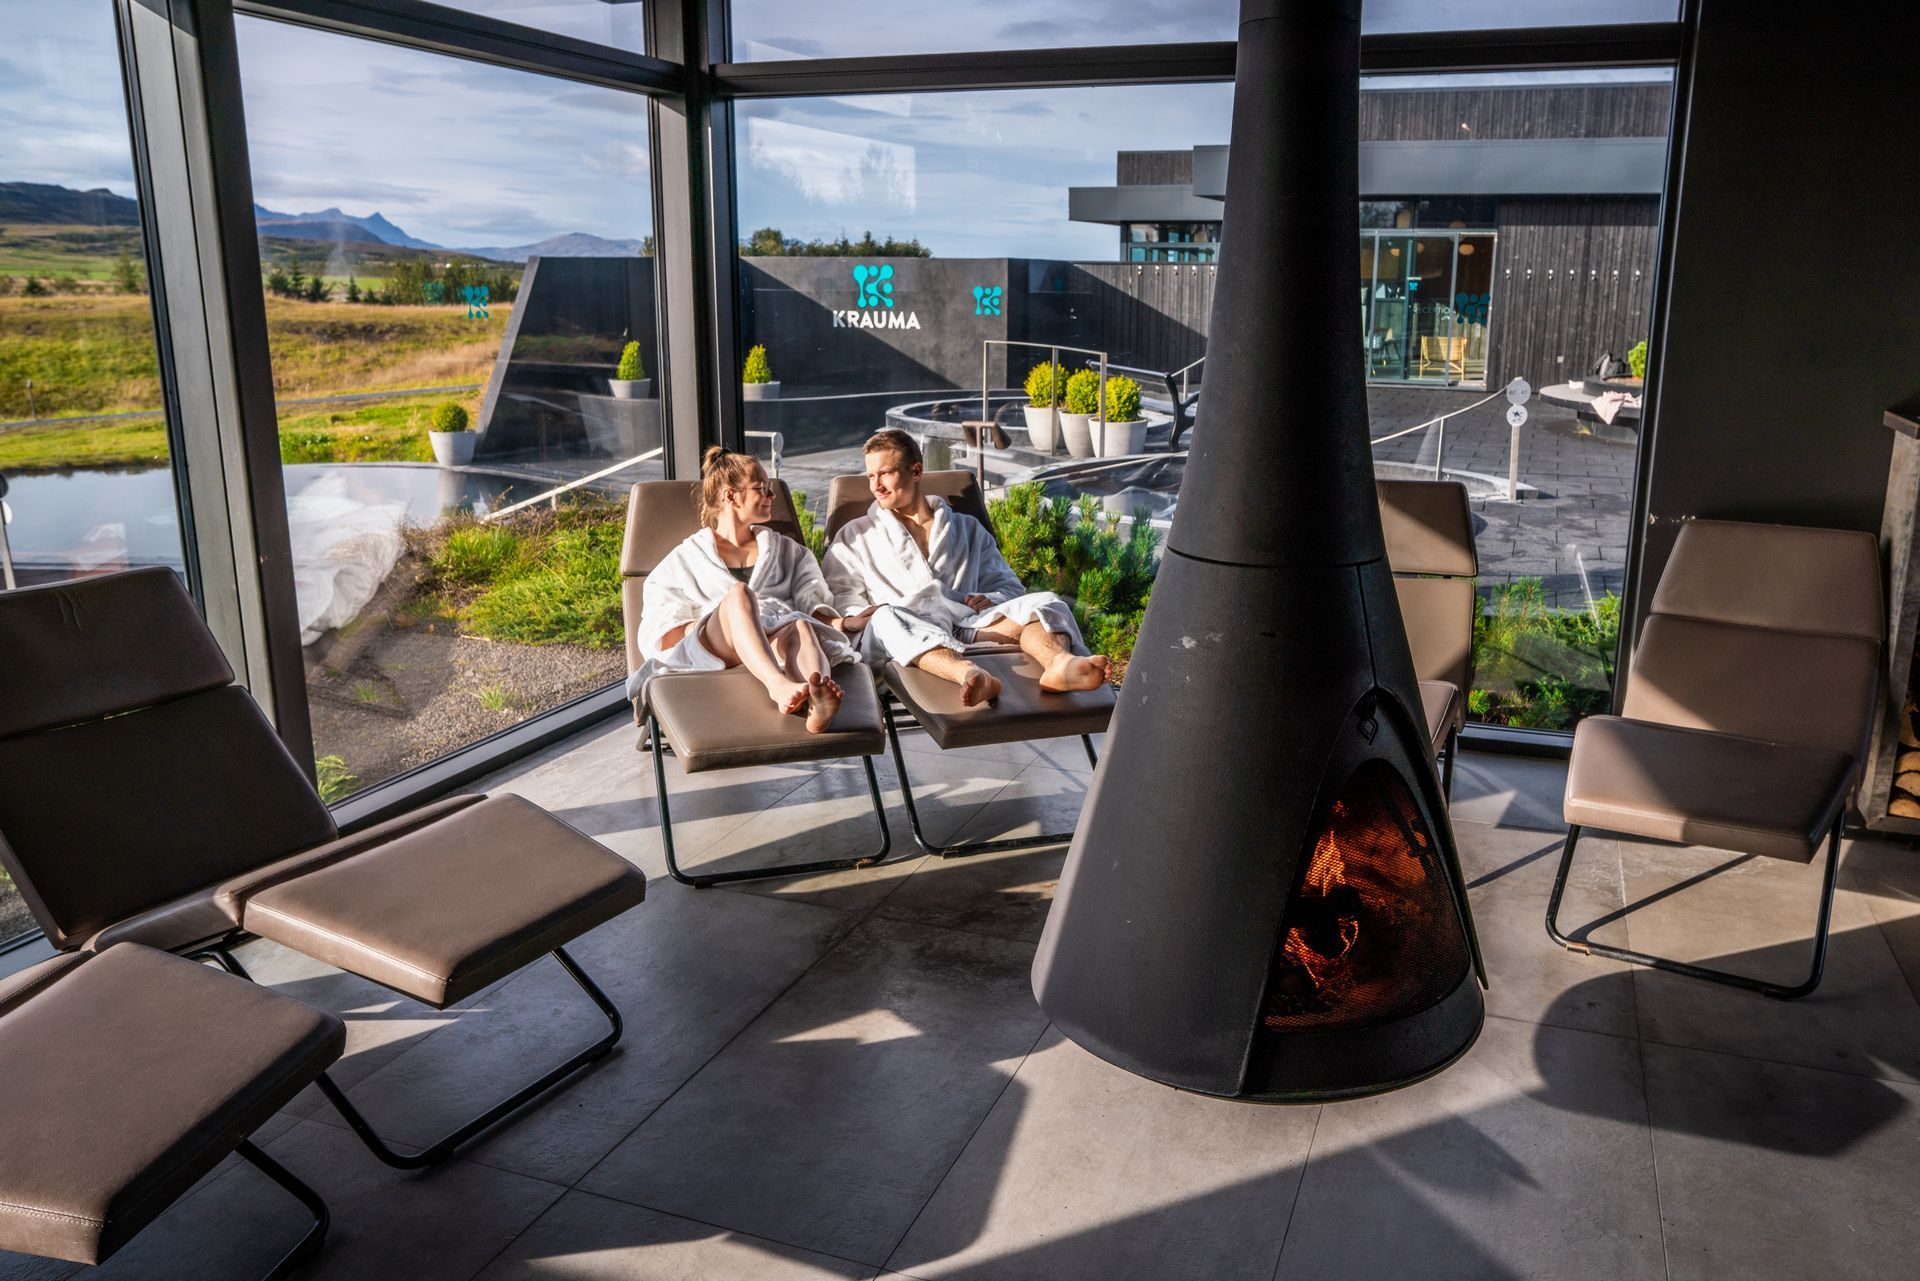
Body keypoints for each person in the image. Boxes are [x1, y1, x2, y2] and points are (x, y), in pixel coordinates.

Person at [823, 429, 1109, 707]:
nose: (876, 486)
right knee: (885, 617)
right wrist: (855, 617)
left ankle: (1059, 664)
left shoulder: (966, 528)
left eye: (885, 473)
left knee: (1047, 602)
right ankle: (969, 674)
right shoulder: (855, 535)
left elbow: (1008, 587)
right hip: (902, 635)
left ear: (916, 471)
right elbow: (842, 599)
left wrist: (992, 599)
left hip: (967, 626)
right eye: (871, 476)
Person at [626, 446, 852, 733]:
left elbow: (814, 601)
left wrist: (843, 621)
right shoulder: (685, 558)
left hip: (771, 638)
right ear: (731, 496)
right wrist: (731, 619)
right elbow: (662, 629)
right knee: (739, 595)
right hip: (714, 645)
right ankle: (778, 685)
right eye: (762, 488)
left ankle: (816, 701)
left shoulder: (788, 551)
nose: (771, 496)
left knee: (800, 626)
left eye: (770, 489)